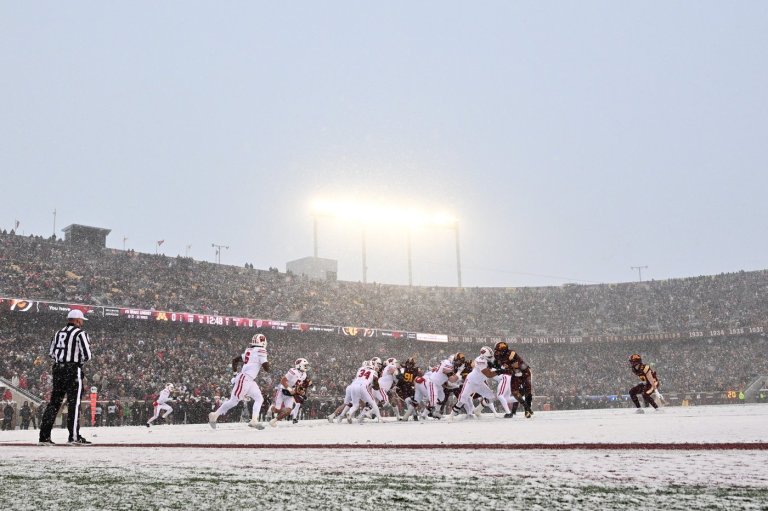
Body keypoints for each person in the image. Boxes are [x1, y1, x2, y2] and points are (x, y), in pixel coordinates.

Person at [38, 309, 93, 445]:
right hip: (72, 369)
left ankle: (44, 437)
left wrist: (62, 361)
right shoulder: (80, 333)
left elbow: (51, 353)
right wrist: (76, 363)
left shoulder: (58, 333)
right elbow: (87, 355)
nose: (82, 323)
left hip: (58, 369)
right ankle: (74, 436)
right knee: (74, 403)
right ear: (77, 320)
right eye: (81, 321)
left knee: (54, 403)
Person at [209, 333, 270, 430]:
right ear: (262, 342)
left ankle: (254, 420)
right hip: (245, 378)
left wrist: (235, 374)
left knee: (259, 398)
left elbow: (235, 360)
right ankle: (214, 415)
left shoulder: (249, 350)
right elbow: (266, 368)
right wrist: (268, 365)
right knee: (234, 401)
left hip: (249, 380)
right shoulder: (261, 351)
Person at [269, 358, 309, 427]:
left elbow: (298, 385)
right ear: (299, 365)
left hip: (290, 395)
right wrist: (290, 389)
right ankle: (271, 407)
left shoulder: (304, 375)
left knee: (288, 411)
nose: (306, 367)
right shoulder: (293, 371)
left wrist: (302, 392)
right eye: (304, 365)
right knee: (276, 410)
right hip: (282, 391)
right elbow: (283, 381)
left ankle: (273, 421)